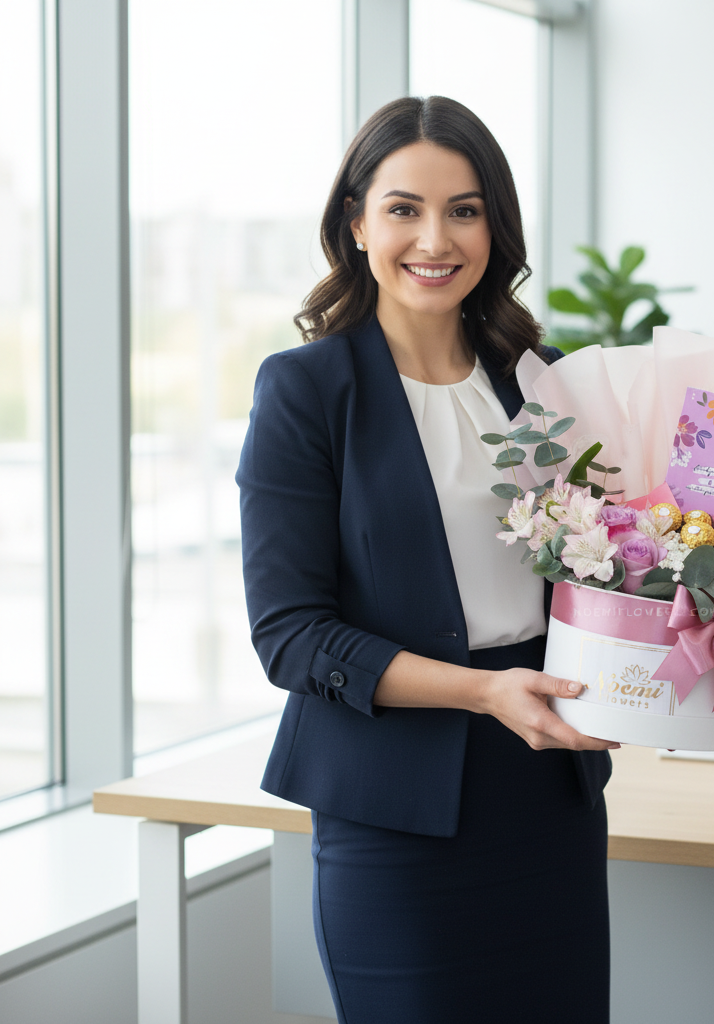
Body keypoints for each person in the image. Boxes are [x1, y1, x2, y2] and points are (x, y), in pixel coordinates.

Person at [236, 95, 616, 1024]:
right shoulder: (308, 390)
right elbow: (290, 637)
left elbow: (597, 569)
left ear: (496, 226)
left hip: (546, 792)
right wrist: (483, 692)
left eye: (465, 208)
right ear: (356, 222)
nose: (434, 238)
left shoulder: (539, 379)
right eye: (404, 208)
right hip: (393, 806)